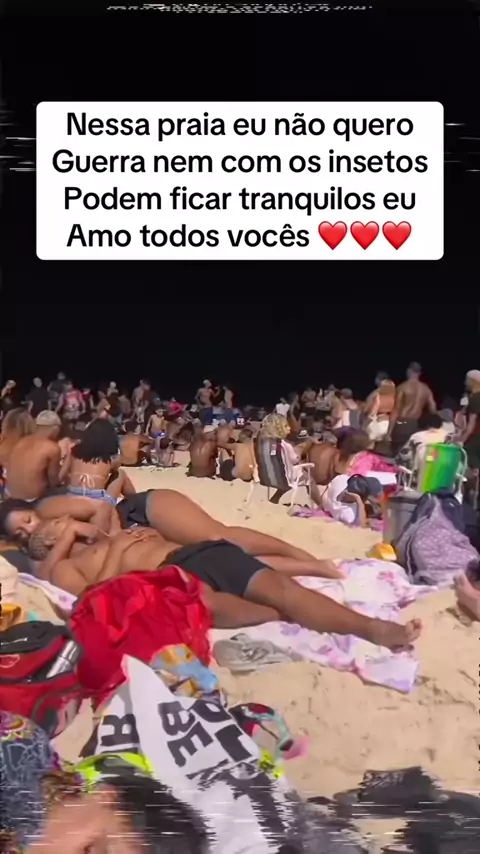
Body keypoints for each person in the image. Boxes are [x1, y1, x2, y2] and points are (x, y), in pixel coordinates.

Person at [21, 513, 421, 650]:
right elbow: (94, 599)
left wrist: (117, 537)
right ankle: (278, 614)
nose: (66, 519)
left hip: (196, 553)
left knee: (285, 589)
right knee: (209, 604)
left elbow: (96, 508)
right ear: (53, 541)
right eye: (57, 524)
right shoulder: (65, 566)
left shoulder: (104, 536)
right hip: (168, 577)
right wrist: (111, 550)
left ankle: (374, 629)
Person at [2, 410, 67, 501]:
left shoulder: (20, 442)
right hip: (33, 498)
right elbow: (53, 480)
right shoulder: (52, 447)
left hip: (12, 494)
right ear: (55, 428)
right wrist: (67, 463)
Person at [67, 419, 136, 503]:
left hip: (73, 495)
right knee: (120, 474)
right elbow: (116, 467)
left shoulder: (73, 452)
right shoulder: (110, 459)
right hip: (97, 501)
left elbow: (62, 475)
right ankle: (135, 500)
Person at [387, 362, 436, 455]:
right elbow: (433, 410)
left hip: (402, 423)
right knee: (411, 455)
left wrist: (388, 432)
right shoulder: (426, 389)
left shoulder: (403, 387)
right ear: (419, 373)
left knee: (397, 454)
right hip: (415, 425)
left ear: (408, 371)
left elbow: (396, 410)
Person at [363, 372, 396, 443]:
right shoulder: (395, 398)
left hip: (379, 423)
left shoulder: (377, 395)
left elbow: (370, 413)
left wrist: (364, 426)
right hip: (391, 426)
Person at [459, 369, 480, 470]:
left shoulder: (475, 398)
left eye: (467, 380)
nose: (465, 383)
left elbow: (471, 425)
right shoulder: (472, 397)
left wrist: (462, 439)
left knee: (468, 455)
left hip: (476, 437)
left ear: (472, 381)